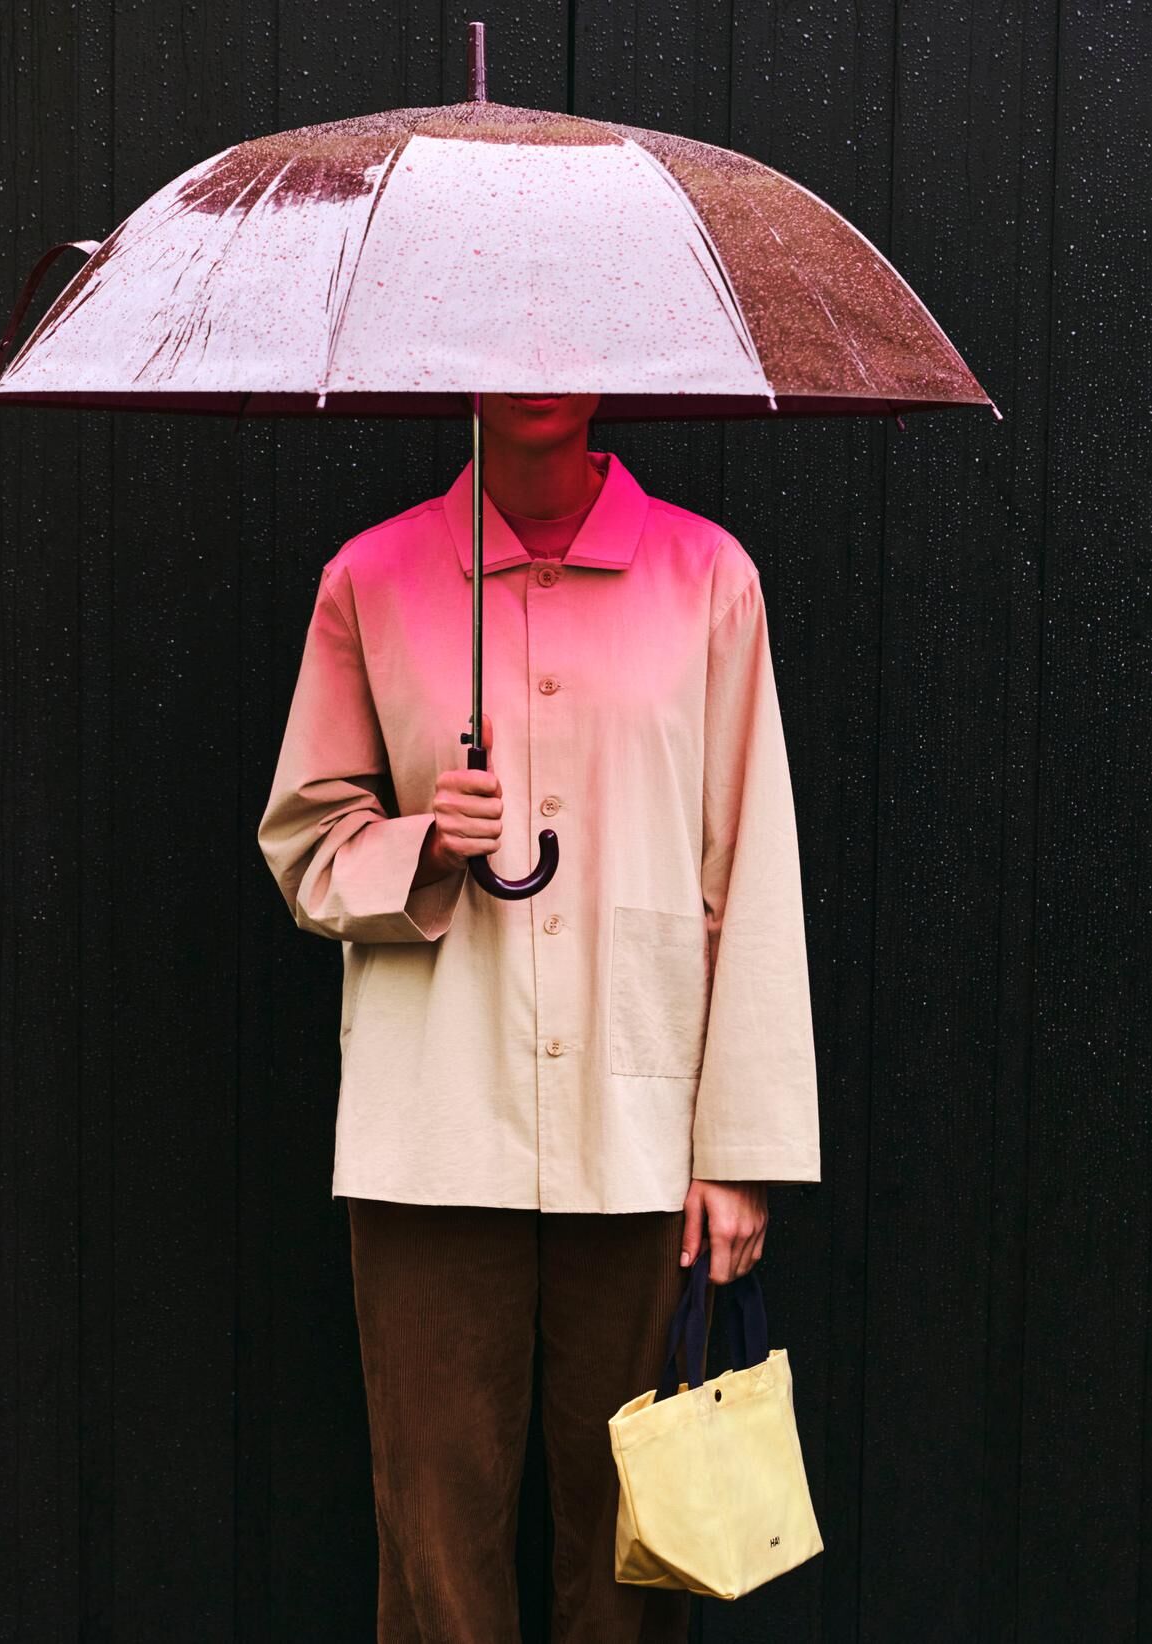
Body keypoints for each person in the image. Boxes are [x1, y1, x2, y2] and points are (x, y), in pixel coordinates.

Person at [257, 391, 821, 1643]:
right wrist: (422, 843)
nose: (535, 366)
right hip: (431, 1127)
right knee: (434, 1539)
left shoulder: (708, 579)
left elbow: (751, 867)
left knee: (637, 1543)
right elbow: (304, 844)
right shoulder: (373, 578)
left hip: (641, 1132)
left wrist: (740, 1148)